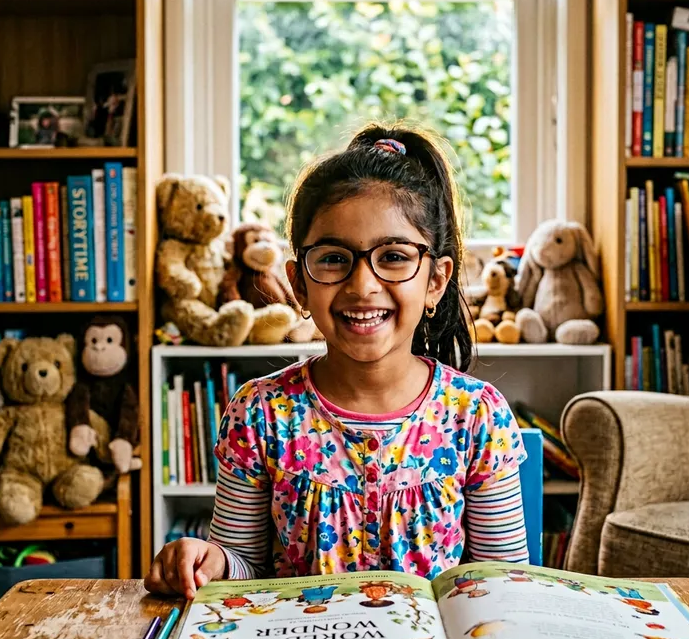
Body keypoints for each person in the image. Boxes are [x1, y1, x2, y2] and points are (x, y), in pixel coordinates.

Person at [144, 122, 529, 600]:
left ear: (436, 280)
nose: (362, 285)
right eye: (332, 258)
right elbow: (243, 571)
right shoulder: (259, 414)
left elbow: (504, 586)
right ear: (299, 284)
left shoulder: (478, 416)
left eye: (392, 256)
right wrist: (211, 562)